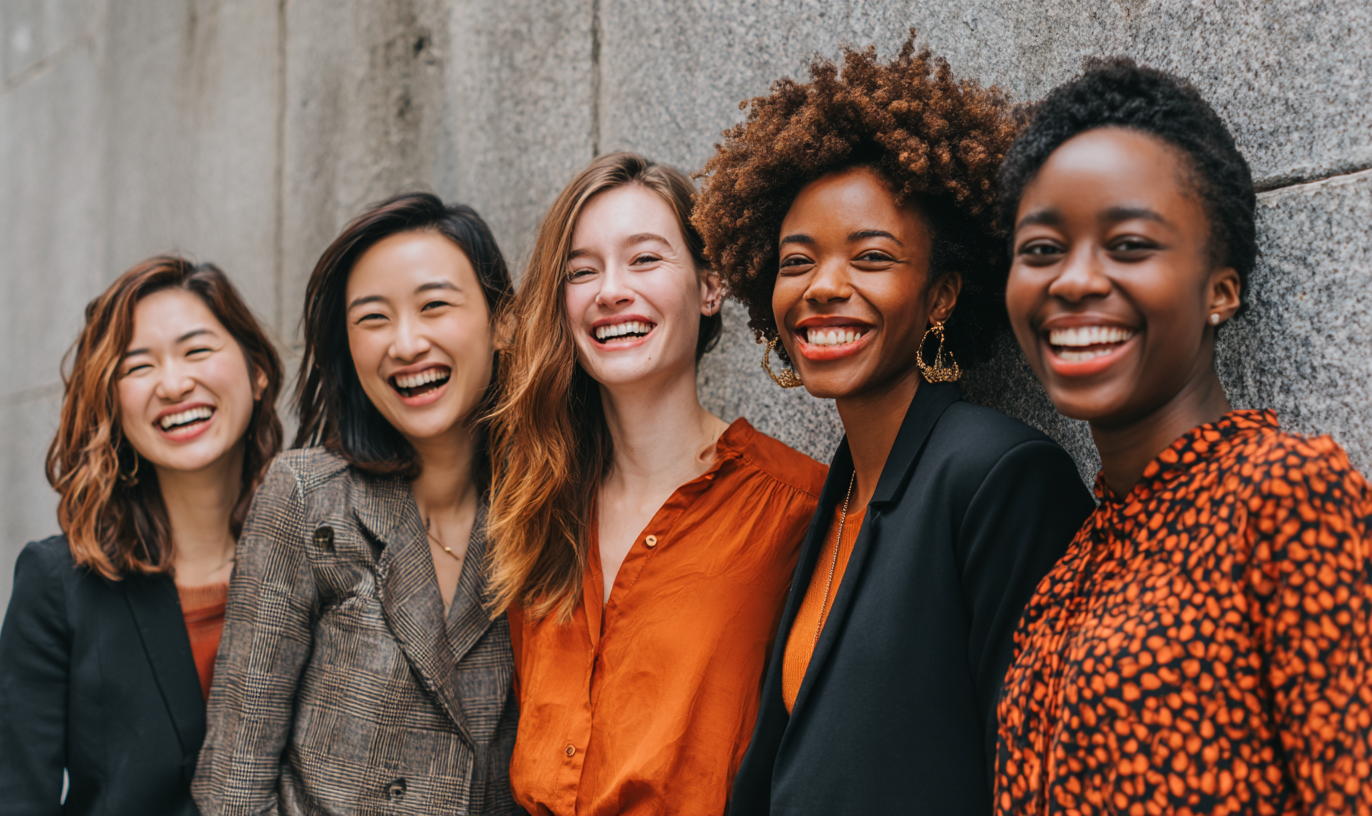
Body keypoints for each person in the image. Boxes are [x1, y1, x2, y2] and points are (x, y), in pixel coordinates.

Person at [692, 42, 1095, 814]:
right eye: (796, 260)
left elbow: (1041, 779)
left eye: (871, 258)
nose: (824, 287)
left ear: (941, 296)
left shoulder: (1000, 476)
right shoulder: (838, 491)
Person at [993, 59, 1372, 815]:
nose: (1072, 280)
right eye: (1041, 249)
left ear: (1220, 290)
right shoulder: (1066, 574)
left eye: (1129, 244)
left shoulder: (1288, 496)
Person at [486, 152, 827, 816]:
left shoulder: (794, 510)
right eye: (581, 271)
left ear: (708, 287)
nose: (610, 290)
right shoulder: (537, 509)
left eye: (644, 260)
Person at [192, 194, 518, 816]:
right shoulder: (307, 496)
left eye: (434, 306)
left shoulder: (544, 504)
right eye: (373, 319)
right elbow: (234, 778)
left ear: (502, 322)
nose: (405, 343)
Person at [0, 257, 285, 816]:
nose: (174, 384)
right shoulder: (60, 584)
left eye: (197, 351)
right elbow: (15, 798)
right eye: (137, 367)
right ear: (112, 403)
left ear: (257, 370)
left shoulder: (318, 560)